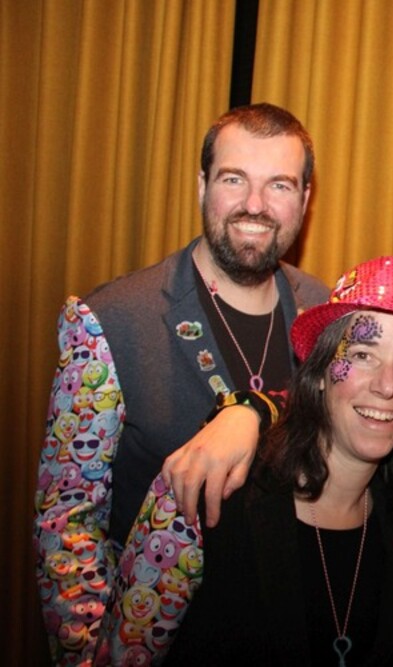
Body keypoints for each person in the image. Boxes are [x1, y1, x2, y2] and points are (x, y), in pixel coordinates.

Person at [33, 102, 329, 664]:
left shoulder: (325, 311)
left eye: (280, 185)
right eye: (234, 179)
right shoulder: (111, 320)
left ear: (305, 199)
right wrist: (91, 654)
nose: (255, 204)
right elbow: (67, 522)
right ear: (202, 186)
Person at [97, 256, 393, 665]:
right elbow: (123, 653)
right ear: (321, 371)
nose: (387, 385)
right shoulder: (208, 488)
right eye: (363, 355)